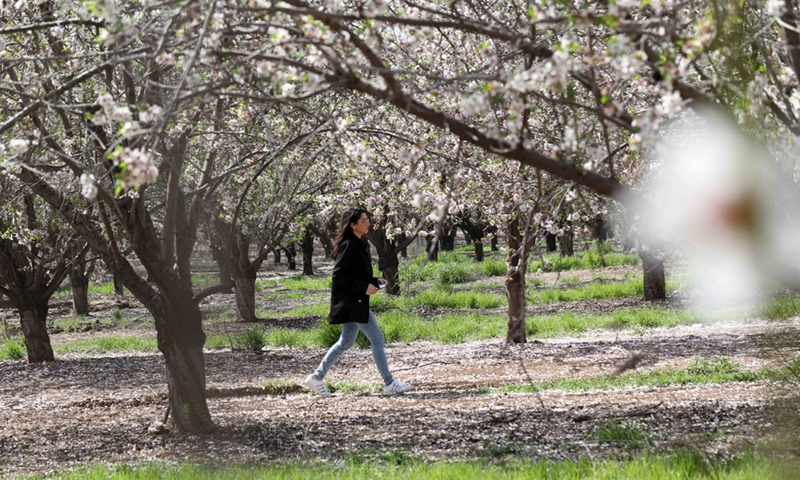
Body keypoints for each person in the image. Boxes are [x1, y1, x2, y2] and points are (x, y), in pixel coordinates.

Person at [304, 208, 412, 397]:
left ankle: (316, 377)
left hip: (353, 301)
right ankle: (389, 383)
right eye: (363, 221)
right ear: (352, 225)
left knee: (345, 343)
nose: (368, 223)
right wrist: (363, 288)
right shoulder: (349, 245)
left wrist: (373, 282)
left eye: (367, 220)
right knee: (377, 339)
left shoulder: (358, 244)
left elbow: (355, 274)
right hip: (353, 303)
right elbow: (339, 277)